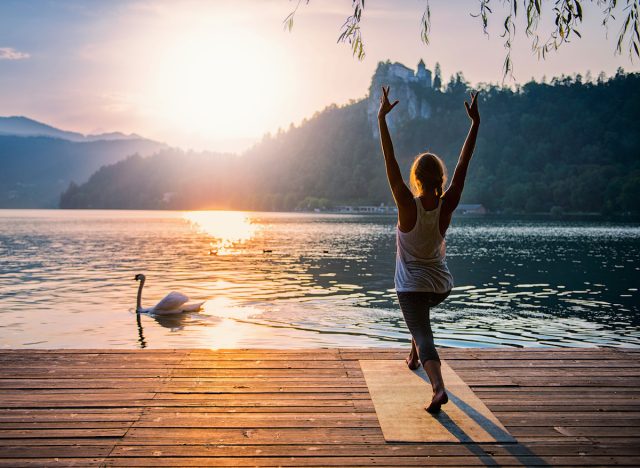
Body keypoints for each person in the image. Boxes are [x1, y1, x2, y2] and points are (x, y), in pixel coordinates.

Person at [377, 85, 480, 413]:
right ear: (439, 179)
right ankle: (412, 357)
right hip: (440, 286)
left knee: (424, 333)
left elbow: (390, 160)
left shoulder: (407, 205)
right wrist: (474, 124)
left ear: (416, 180)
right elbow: (464, 165)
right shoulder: (447, 204)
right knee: (418, 320)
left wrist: (382, 119)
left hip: (412, 288)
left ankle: (438, 389)